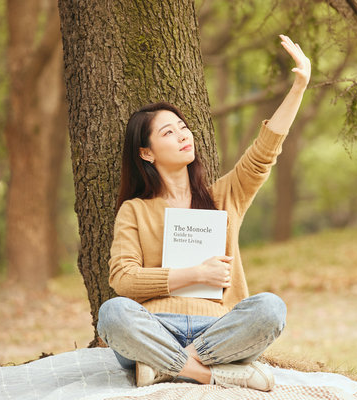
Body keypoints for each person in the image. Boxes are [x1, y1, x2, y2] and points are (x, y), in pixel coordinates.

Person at [96, 35, 311, 391]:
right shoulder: (134, 210)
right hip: (155, 326)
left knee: (271, 308)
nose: (183, 135)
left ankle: (167, 366)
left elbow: (264, 152)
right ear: (147, 153)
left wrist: (299, 86)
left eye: (183, 127)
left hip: (217, 330)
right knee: (112, 313)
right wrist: (194, 273)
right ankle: (209, 374)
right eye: (168, 132)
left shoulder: (224, 196)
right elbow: (123, 280)